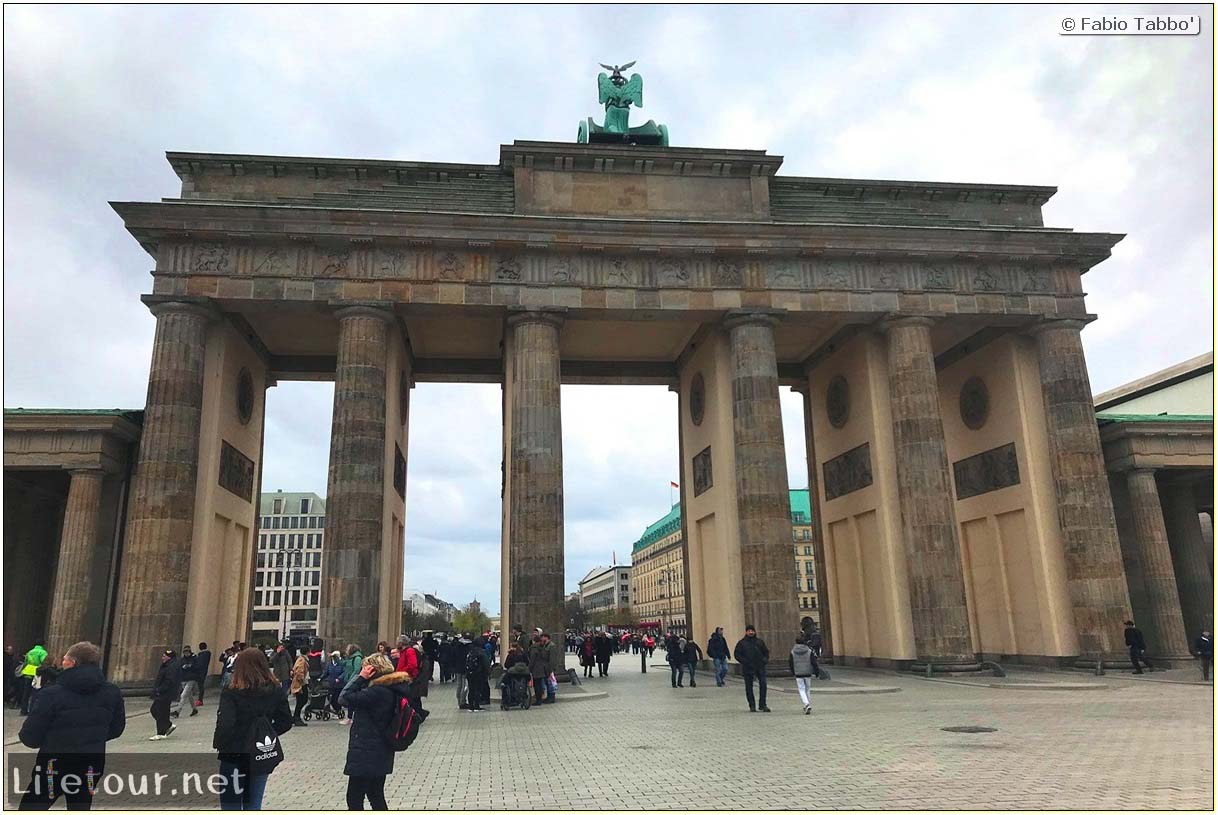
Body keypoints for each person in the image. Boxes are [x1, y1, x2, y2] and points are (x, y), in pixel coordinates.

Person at [18, 641, 126, 810]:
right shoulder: (112, 692)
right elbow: (117, 728)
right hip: (91, 761)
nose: (62, 662)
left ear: (73, 663)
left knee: (32, 807)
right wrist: (92, 738)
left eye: (65, 659)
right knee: (80, 807)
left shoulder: (51, 694)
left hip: (54, 763)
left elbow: (30, 735)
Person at [212, 646, 293, 810]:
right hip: (260, 752)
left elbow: (226, 724)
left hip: (234, 752)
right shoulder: (275, 690)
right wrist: (265, 733)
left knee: (230, 805)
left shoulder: (232, 691)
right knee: (254, 805)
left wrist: (220, 744)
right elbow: (285, 721)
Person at [339, 653, 413, 810]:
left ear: (372, 670)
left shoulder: (377, 692)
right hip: (381, 749)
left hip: (366, 750)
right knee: (375, 794)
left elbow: (344, 697)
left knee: (354, 798)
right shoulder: (392, 689)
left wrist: (360, 678)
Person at [733, 625, 771, 713]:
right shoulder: (742, 643)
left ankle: (763, 704)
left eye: (752, 631)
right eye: (749, 631)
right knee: (749, 687)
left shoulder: (759, 642)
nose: (751, 632)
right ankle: (752, 705)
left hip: (760, 666)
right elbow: (737, 654)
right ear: (746, 632)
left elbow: (766, 652)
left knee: (763, 685)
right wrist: (744, 661)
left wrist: (765, 660)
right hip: (748, 667)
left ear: (754, 632)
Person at [150, 649, 181, 739]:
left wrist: (160, 690)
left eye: (164, 656)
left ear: (169, 657)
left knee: (160, 712)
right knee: (155, 710)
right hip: (163, 693)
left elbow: (169, 681)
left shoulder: (172, 666)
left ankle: (161, 733)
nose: (162, 658)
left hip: (165, 693)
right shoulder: (167, 665)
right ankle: (167, 725)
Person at [788, 635, 821, 715]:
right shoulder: (809, 651)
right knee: (807, 689)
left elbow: (790, 663)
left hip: (798, 673)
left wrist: (793, 672)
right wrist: (817, 672)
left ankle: (806, 704)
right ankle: (807, 704)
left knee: (801, 689)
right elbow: (814, 662)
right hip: (807, 672)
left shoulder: (792, 651)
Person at [17, 643, 47, 716]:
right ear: (43, 645)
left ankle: (23, 710)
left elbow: (26, 661)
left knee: (26, 692)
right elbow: (44, 662)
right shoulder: (43, 652)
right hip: (37, 672)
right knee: (35, 691)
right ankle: (32, 709)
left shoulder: (30, 651)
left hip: (27, 671)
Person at [172, 646, 198, 718]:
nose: (186, 653)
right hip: (183, 679)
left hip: (191, 679)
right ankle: (194, 709)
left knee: (183, 695)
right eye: (185, 652)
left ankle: (177, 711)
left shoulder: (194, 659)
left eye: (187, 652)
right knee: (189, 696)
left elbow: (197, 667)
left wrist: (190, 666)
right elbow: (179, 667)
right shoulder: (182, 660)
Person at [528, 633, 555, 705]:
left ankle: (539, 699)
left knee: (537, 685)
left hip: (537, 669)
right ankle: (541, 698)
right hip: (542, 668)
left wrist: (529, 668)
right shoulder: (543, 647)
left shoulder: (534, 648)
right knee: (541, 684)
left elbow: (532, 660)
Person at [466, 635, 491, 712]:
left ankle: (471, 706)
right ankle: (476, 705)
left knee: (471, 689)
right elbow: (486, 664)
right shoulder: (482, 652)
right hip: (479, 673)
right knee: (478, 689)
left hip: (470, 673)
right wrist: (488, 673)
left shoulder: (470, 651)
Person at [322, 650, 346, 717]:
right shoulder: (329, 664)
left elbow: (344, 672)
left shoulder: (342, 663)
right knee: (330, 698)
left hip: (340, 684)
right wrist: (320, 678)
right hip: (331, 683)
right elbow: (326, 672)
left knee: (337, 698)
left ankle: (338, 710)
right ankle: (336, 710)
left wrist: (339, 678)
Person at [289, 648, 310, 726]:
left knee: (301, 700)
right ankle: (296, 717)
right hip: (301, 684)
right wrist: (301, 680)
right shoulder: (302, 660)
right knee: (302, 700)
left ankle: (295, 717)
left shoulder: (300, 659)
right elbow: (299, 671)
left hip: (299, 683)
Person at [452, 633, 472, 710]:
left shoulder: (457, 646)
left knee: (459, 685)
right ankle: (462, 701)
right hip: (465, 668)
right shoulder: (468, 647)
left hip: (458, 668)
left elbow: (453, 656)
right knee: (465, 685)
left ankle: (459, 700)